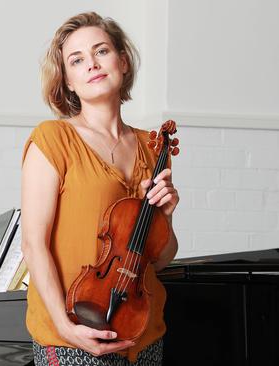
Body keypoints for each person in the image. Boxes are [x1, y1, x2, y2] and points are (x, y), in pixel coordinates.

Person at [21, 12, 179, 366]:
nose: (91, 64)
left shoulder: (154, 148)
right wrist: (65, 328)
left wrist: (166, 215)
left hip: (143, 332)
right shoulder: (53, 139)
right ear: (69, 82)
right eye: (76, 60)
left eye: (101, 51)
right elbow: (33, 244)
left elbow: (162, 258)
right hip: (74, 332)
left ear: (122, 61)